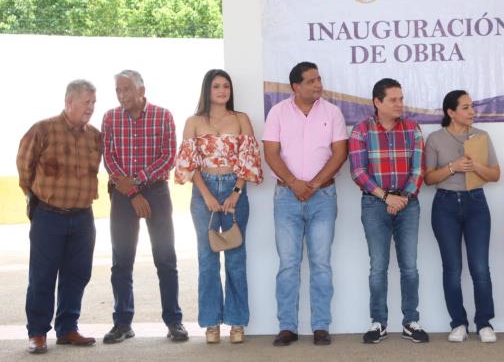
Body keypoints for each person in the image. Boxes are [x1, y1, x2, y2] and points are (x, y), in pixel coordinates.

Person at [263, 62, 348, 347]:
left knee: (321, 264)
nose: (318, 85)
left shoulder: (332, 112)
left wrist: (313, 184)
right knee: (288, 264)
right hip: (286, 198)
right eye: (311, 81)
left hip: (322, 198)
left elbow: (339, 154)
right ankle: (287, 326)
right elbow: (271, 153)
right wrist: (293, 182)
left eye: (319, 79)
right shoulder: (277, 112)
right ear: (295, 87)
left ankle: (321, 326)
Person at [175, 69, 263, 344]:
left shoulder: (241, 119)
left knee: (236, 258)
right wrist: (207, 196)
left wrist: (236, 192)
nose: (223, 91)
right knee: (207, 259)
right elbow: (189, 163)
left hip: (234, 190)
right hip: (205, 191)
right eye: (216, 86)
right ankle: (211, 323)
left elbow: (249, 158)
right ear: (207, 90)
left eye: (226, 86)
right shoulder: (193, 121)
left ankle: (237, 322)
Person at [101, 70, 187, 344]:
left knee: (166, 258)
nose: (121, 95)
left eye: (126, 89)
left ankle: (174, 321)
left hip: (156, 192)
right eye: (118, 90)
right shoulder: (110, 118)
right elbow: (109, 159)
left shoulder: (163, 116)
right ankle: (122, 323)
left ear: (141, 90)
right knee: (121, 260)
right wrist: (131, 190)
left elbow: (168, 158)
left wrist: (137, 183)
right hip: (123, 195)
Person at [17, 80, 101, 354]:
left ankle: (67, 328)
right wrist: (35, 200)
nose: (91, 107)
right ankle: (38, 333)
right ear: (69, 102)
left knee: (77, 274)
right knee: (42, 275)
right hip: (49, 216)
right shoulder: (43, 130)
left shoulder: (95, 136)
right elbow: (24, 167)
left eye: (93, 102)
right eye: (86, 102)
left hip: (83, 217)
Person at [349, 78, 429, 344]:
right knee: (378, 267)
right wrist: (386, 197)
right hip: (374, 204)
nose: (399, 104)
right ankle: (378, 323)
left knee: (410, 267)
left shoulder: (413, 128)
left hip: (408, 205)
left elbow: (418, 170)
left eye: (401, 99)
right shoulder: (361, 130)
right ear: (377, 102)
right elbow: (358, 172)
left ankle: (411, 322)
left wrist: (402, 197)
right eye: (393, 99)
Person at [424, 90, 499, 343]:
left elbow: (495, 175)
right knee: (452, 268)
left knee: (480, 268)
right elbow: (428, 179)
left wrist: (475, 165)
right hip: (445, 205)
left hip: (476, 203)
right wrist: (453, 167)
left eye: (472, 106)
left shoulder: (482, 137)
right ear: (451, 112)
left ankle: (484, 323)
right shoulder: (435, 138)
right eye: (466, 107)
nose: (472, 111)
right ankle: (458, 323)